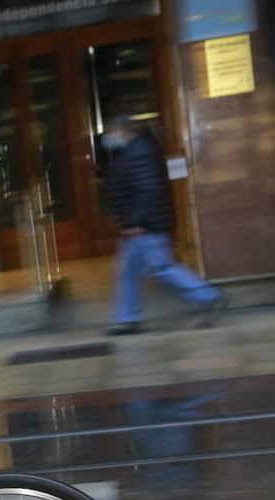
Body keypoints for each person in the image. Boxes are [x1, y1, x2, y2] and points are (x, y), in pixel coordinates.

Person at [103, 114, 227, 335]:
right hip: (139, 224)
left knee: (162, 268)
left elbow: (148, 190)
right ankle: (128, 319)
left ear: (124, 131)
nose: (108, 137)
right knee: (128, 270)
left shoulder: (138, 153)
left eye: (111, 131)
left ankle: (208, 296)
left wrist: (137, 222)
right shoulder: (130, 152)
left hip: (145, 225)